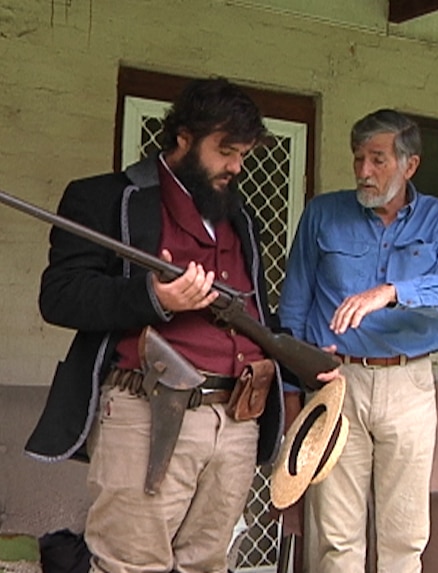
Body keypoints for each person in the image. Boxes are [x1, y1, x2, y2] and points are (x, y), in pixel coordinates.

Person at [25, 78, 334, 573]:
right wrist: (152, 297)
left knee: (207, 564)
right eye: (226, 151)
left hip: (238, 417)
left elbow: (256, 316)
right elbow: (59, 296)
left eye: (242, 154)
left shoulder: (240, 216)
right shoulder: (102, 198)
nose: (236, 166)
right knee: (130, 563)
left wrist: (303, 364)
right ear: (184, 138)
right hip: (146, 408)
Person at [278, 108, 438, 572]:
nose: (365, 171)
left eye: (378, 159)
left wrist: (392, 293)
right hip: (335, 381)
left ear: (410, 165)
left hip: (408, 382)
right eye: (359, 159)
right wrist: (292, 396)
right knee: (335, 534)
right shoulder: (323, 214)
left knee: (404, 537)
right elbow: (294, 308)